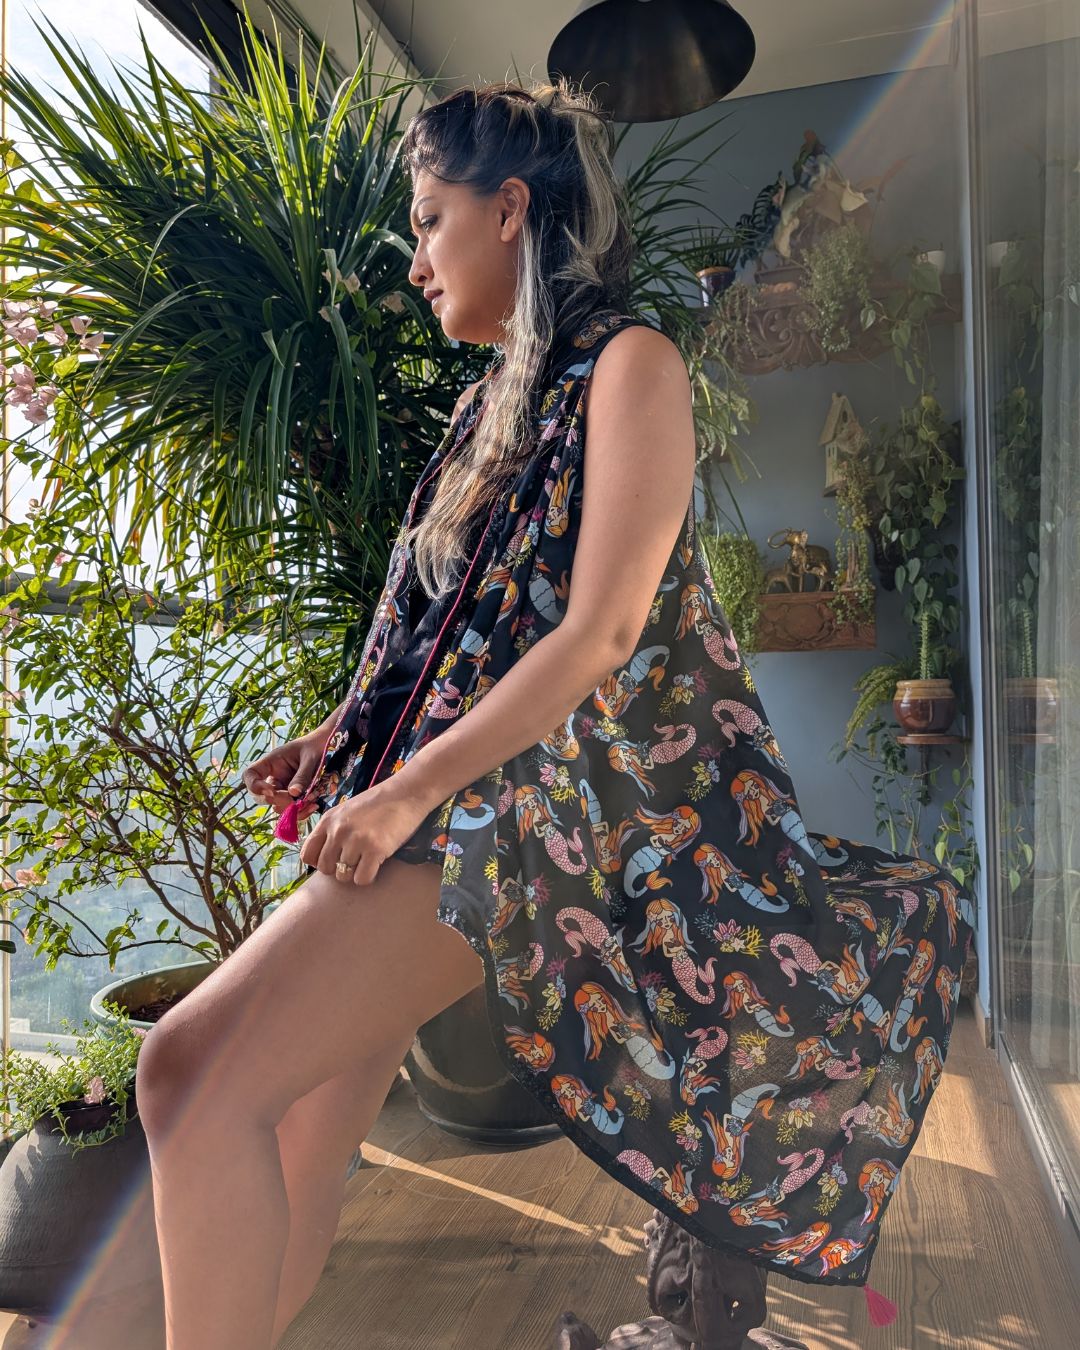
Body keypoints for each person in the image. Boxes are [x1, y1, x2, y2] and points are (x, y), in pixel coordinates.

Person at [136, 79, 975, 1350]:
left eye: (430, 221)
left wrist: (408, 789)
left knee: (188, 1073)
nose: (416, 261)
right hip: (444, 804)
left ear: (511, 209)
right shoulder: (492, 401)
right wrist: (342, 735)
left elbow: (602, 632)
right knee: (297, 1137)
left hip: (507, 826)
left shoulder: (632, 364)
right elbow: (439, 626)